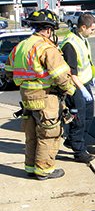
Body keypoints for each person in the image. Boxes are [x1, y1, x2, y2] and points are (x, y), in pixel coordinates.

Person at [5, 9, 77, 180]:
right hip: (46, 98)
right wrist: (72, 91)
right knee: (49, 135)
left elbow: (8, 71)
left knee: (32, 135)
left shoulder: (20, 46)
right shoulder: (46, 48)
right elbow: (60, 76)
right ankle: (44, 170)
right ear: (48, 29)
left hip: (27, 99)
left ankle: (30, 167)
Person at [60, 13, 95, 163]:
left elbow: (86, 61)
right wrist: (81, 89)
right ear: (83, 27)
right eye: (92, 29)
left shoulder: (83, 39)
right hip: (75, 86)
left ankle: (74, 140)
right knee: (79, 119)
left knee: (88, 115)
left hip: (85, 82)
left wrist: (91, 77)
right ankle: (79, 151)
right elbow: (71, 73)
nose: (93, 32)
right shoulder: (70, 44)